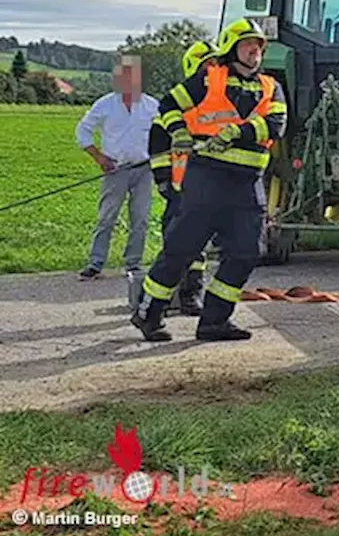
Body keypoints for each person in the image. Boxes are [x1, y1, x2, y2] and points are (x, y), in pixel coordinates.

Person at [132, 18, 287, 342]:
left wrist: (236, 132)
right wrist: (179, 132)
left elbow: (276, 123)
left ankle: (214, 320)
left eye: (258, 46)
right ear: (232, 48)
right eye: (247, 45)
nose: (254, 52)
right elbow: (169, 104)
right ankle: (148, 312)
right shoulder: (208, 78)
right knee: (181, 250)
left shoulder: (272, 87)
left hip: (247, 184)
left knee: (247, 252)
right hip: (206, 179)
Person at [74, 53, 159, 280]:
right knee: (107, 217)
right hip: (115, 169)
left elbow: (163, 134)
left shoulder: (152, 106)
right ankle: (96, 262)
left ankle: (133, 264)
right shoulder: (105, 104)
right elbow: (82, 131)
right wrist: (99, 157)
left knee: (140, 218)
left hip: (143, 169)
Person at [146, 40, 215, 317]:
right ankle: (157, 303)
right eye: (206, 66)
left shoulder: (216, 104)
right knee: (175, 245)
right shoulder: (176, 104)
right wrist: (164, 181)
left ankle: (191, 296)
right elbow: (158, 148)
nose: (211, 71)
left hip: (206, 187)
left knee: (198, 247)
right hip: (178, 188)